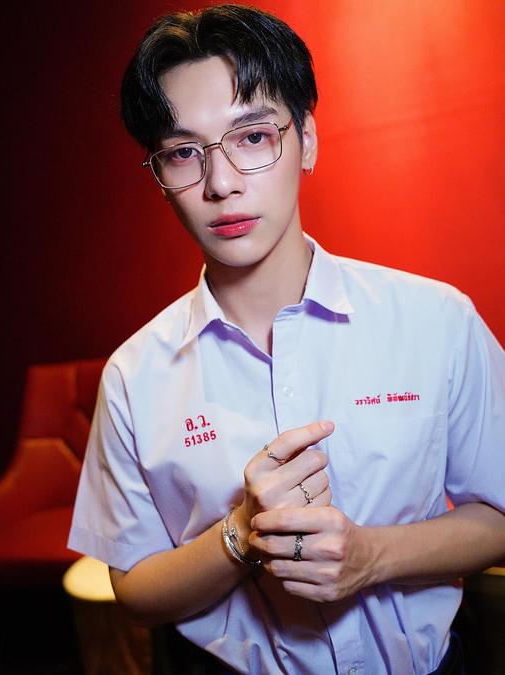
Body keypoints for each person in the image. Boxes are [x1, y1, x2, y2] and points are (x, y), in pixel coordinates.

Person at [68, 4, 505, 674]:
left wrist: (371, 556)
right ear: (160, 175)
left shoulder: (435, 320)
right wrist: (241, 530)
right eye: (183, 153)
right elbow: (135, 590)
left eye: (252, 137)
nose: (221, 183)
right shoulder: (134, 375)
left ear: (307, 138)